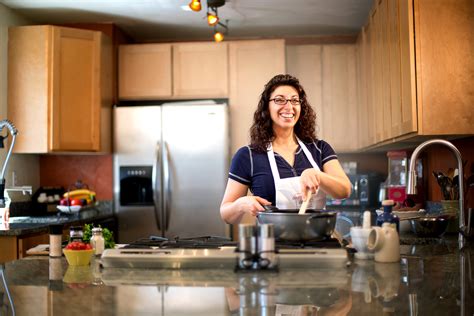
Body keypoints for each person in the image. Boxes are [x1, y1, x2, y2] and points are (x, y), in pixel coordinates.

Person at [220, 74, 351, 224]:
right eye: (279, 100)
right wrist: (240, 204)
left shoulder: (320, 149)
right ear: (267, 107)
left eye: (295, 100)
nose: (289, 107)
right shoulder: (247, 156)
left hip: (317, 242)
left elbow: (344, 190)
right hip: (270, 244)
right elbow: (226, 214)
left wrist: (318, 175)